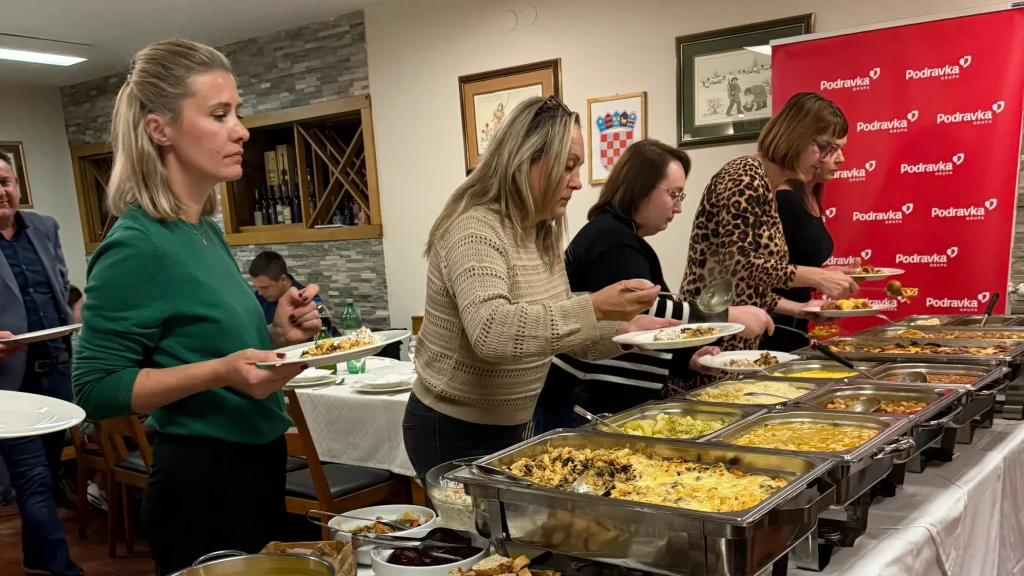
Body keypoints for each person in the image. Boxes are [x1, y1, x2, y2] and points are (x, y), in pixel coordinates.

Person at [71, 39, 321, 576]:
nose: (241, 130)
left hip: (259, 464)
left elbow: (211, 345)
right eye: (218, 114)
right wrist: (222, 373)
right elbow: (93, 389)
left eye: (238, 112)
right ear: (160, 130)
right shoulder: (137, 243)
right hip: (203, 484)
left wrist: (278, 339)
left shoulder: (204, 231)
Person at [402, 96, 677, 477]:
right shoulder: (475, 228)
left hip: (513, 422)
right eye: (568, 167)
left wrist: (627, 332)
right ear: (526, 159)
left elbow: (560, 333)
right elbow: (493, 333)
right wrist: (595, 307)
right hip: (451, 426)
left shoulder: (539, 233)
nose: (578, 182)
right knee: (469, 535)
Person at [534, 140, 775, 430]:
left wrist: (687, 356)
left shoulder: (618, 235)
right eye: (673, 194)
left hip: (593, 400)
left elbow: (645, 329)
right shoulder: (612, 240)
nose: (679, 207)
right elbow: (645, 308)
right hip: (584, 402)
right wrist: (727, 317)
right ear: (640, 187)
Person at [678, 92, 858, 387]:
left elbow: (752, 285)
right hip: (712, 341)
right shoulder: (745, 175)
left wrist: (801, 309)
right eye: (825, 148)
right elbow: (739, 262)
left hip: (740, 342)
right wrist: (815, 277)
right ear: (796, 137)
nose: (831, 158)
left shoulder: (769, 186)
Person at [0, 152, 82, 575]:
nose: (2, 191)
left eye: (7, 181)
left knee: (48, 471)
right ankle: (62, 568)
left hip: (56, 370)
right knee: (31, 479)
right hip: (7, 387)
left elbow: (61, 284)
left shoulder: (45, 226)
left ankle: (36, 557)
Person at [760, 134, 849, 352]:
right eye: (832, 149)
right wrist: (817, 278)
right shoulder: (784, 200)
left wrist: (823, 275)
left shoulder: (808, 196)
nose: (841, 159)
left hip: (796, 324)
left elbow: (791, 262)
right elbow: (761, 273)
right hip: (771, 328)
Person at [249, 250, 306, 325]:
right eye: (257, 287)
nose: (260, 293)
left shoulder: (307, 299)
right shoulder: (258, 300)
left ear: (283, 280)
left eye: (265, 287)